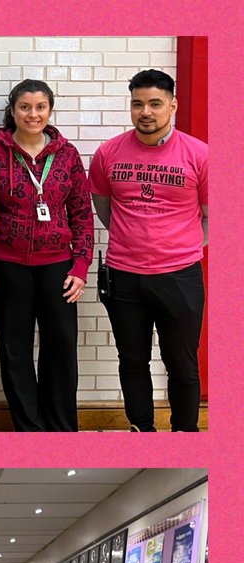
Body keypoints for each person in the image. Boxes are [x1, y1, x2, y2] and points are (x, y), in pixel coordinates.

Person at [89, 69, 208, 433]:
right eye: (138, 103)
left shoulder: (200, 154)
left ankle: (185, 433)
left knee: (182, 365)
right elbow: (104, 207)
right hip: (124, 276)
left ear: (172, 105)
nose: (146, 112)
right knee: (132, 362)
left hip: (180, 276)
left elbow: (214, 215)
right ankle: (141, 429)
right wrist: (134, 240)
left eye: (155, 103)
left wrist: (182, 246)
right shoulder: (109, 152)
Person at [0, 80, 93, 432]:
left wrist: (82, 265)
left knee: (60, 348)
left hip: (58, 264)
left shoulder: (68, 155)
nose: (33, 114)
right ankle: (29, 429)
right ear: (12, 110)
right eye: (25, 107)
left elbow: (82, 212)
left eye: (40, 107)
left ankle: (61, 429)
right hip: (6, 265)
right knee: (15, 350)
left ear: (50, 111)